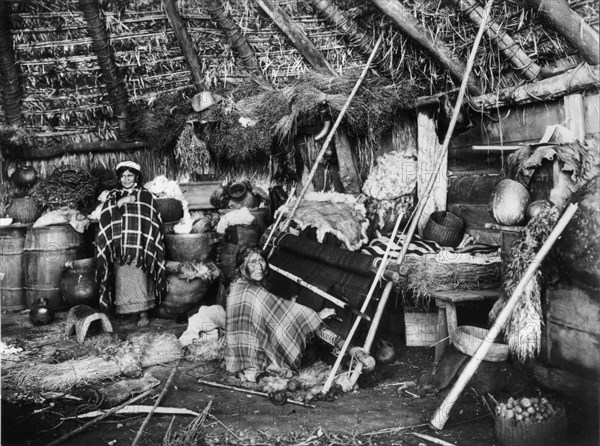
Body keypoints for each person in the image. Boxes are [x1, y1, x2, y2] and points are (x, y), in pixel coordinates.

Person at [224, 243, 375, 382]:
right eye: (252, 262)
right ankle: (349, 353)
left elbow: (270, 316)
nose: (259, 267)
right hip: (258, 358)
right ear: (243, 266)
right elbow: (282, 317)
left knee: (300, 341)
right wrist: (317, 316)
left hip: (240, 357)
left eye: (261, 260)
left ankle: (250, 369)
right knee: (310, 353)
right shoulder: (254, 292)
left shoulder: (237, 286)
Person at [96, 161, 166, 327]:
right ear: (119, 178)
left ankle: (143, 313)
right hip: (120, 247)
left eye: (130, 175)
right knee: (122, 279)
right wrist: (122, 201)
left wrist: (146, 242)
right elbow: (106, 216)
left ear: (136, 176)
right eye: (123, 176)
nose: (126, 179)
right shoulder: (114, 195)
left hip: (140, 248)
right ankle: (127, 313)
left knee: (141, 278)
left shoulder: (145, 195)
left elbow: (152, 220)